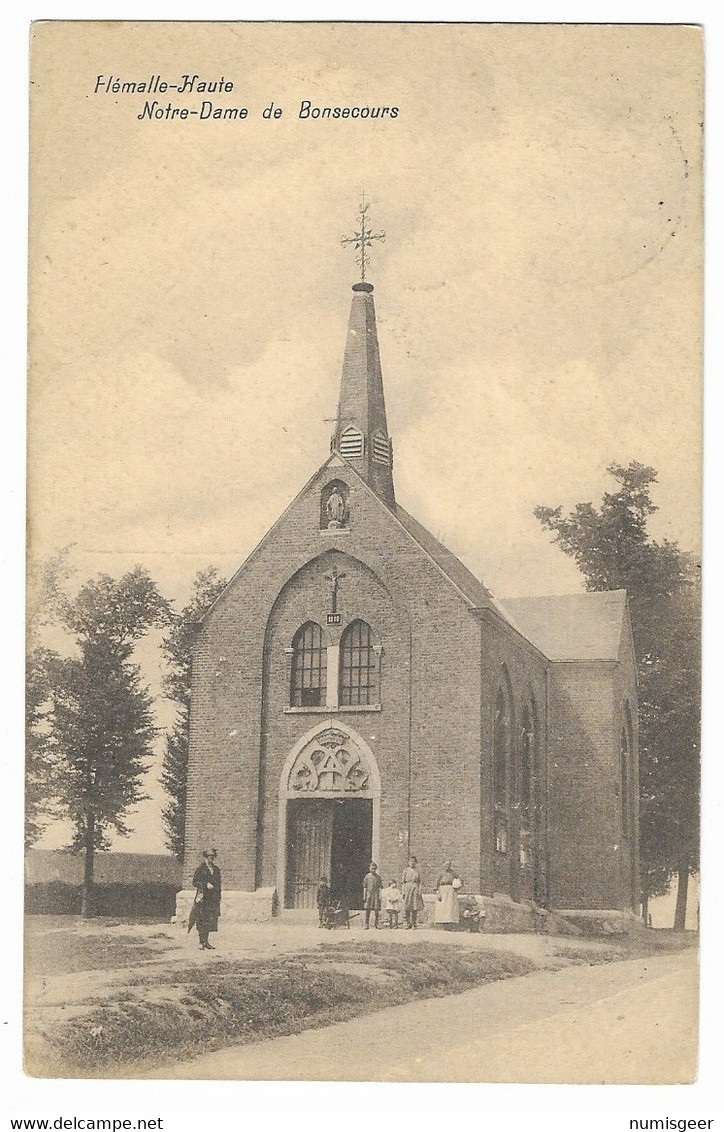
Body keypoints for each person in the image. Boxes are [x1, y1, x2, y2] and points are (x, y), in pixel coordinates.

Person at [190, 848, 222, 950]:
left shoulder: (216, 869)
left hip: (212, 899)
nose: (211, 858)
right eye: (209, 857)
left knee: (209, 920)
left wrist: (218, 897)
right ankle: (201, 942)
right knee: (201, 919)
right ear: (206, 857)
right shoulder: (201, 868)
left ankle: (206, 942)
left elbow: (218, 884)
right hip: (203, 898)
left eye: (213, 857)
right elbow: (195, 882)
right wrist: (205, 884)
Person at [434, 861, 462, 930]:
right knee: (443, 907)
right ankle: (442, 925)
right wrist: (438, 893)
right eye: (446, 864)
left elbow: (460, 880)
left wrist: (457, 886)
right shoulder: (440, 873)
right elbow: (436, 884)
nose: (447, 866)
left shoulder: (453, 873)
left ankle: (450, 924)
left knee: (450, 907)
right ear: (443, 865)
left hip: (451, 891)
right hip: (442, 890)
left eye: (449, 865)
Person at [401, 856, 424, 929]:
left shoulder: (417, 871)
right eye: (411, 861)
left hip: (415, 888)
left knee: (414, 906)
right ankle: (408, 923)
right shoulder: (406, 870)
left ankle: (414, 923)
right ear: (408, 862)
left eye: (413, 861)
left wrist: (420, 890)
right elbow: (403, 882)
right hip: (407, 888)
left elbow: (420, 882)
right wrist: (403, 891)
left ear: (416, 863)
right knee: (407, 906)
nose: (412, 863)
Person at [362, 862, 383, 929]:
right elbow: (365, 887)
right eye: (372, 868)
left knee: (376, 910)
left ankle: (376, 924)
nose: (373, 870)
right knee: (368, 909)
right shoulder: (367, 876)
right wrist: (364, 896)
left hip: (376, 894)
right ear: (369, 868)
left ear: (376, 869)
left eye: (374, 869)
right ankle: (366, 924)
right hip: (369, 894)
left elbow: (380, 887)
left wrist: (380, 895)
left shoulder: (378, 877)